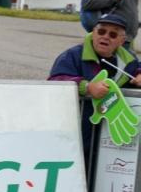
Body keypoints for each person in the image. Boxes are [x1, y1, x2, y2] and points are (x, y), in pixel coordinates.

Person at [48, 14, 141, 175]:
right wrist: (87, 87)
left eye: (112, 34)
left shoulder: (128, 60)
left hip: (110, 140)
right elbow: (55, 80)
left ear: (121, 40)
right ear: (93, 32)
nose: (105, 37)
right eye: (101, 31)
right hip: (77, 132)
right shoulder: (73, 55)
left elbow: (137, 68)